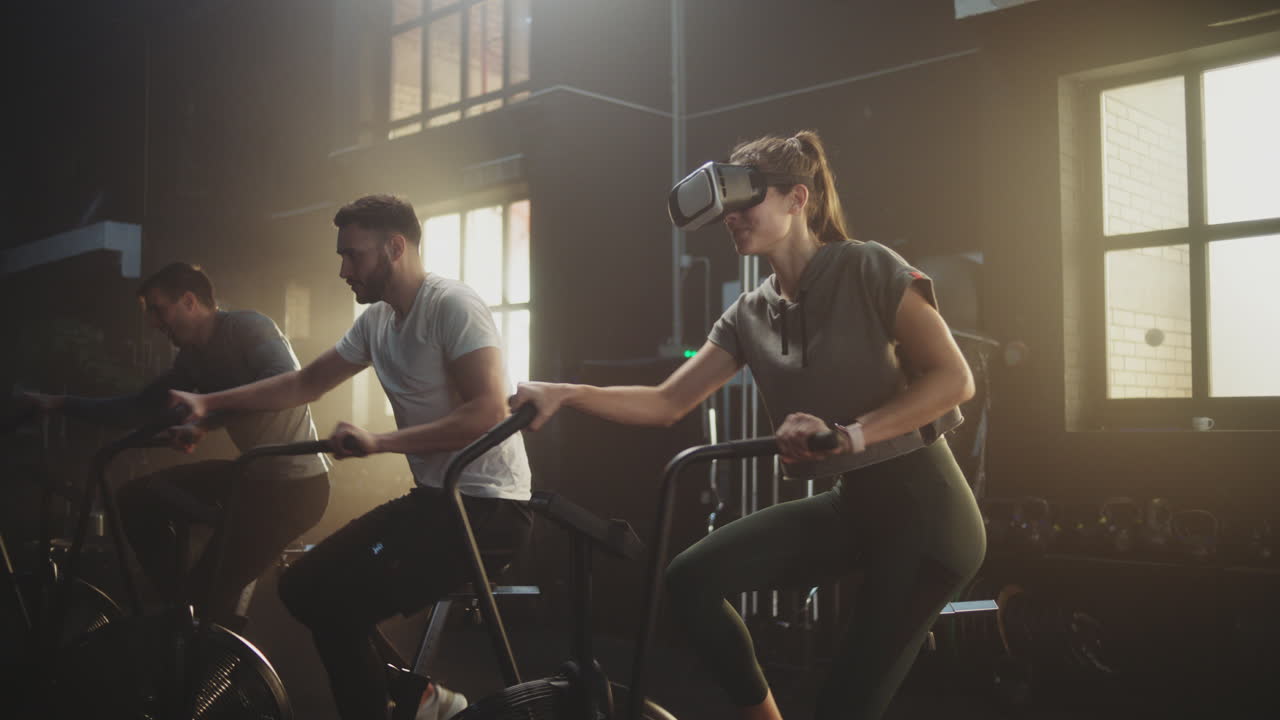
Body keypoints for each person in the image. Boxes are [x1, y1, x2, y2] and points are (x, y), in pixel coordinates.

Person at [511, 131, 986, 720]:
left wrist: (850, 434)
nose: (732, 220)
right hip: (855, 507)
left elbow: (953, 380)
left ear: (797, 199)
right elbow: (666, 403)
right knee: (692, 580)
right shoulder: (749, 312)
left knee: (844, 705)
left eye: (746, 204)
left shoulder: (867, 266)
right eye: (726, 210)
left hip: (926, 514)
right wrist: (566, 392)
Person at [170, 194, 532, 720]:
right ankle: (421, 699)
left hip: (489, 511)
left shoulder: (451, 305)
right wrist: (207, 403)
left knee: (338, 606)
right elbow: (304, 382)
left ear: (395, 247)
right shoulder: (377, 323)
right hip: (436, 501)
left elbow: (488, 413)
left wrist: (379, 441)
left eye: (353, 255)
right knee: (300, 587)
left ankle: (406, 706)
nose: (343, 270)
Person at [20, 262, 331, 627]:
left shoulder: (249, 328)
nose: (154, 322)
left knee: (206, 597)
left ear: (189, 301)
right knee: (134, 498)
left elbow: (285, 385)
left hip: (296, 489)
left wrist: (207, 419)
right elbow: (141, 407)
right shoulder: (192, 359)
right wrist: (59, 404)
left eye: (158, 309)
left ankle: (206, 624)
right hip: (252, 480)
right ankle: (185, 606)